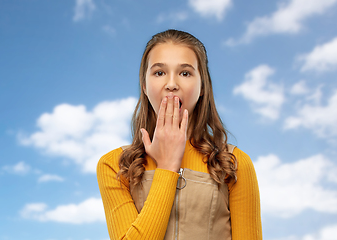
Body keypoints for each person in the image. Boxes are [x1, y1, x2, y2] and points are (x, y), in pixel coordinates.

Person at [97, 29, 262, 240]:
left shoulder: (235, 163)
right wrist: (167, 166)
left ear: (203, 86)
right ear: (144, 86)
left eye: (185, 73)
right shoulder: (114, 165)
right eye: (159, 72)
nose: (172, 84)